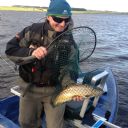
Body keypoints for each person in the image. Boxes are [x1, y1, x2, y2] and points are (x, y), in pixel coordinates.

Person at [5, 0, 82, 128]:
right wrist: (31, 52)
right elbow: (10, 50)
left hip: (55, 90)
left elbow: (68, 68)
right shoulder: (31, 31)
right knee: (26, 123)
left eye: (66, 19)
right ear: (48, 16)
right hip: (29, 88)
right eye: (57, 19)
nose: (62, 24)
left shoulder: (69, 42)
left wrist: (71, 86)